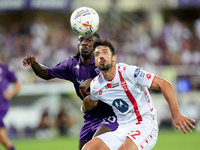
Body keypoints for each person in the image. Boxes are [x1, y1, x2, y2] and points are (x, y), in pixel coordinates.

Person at [81, 38, 196, 150]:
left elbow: (165, 84)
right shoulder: (96, 85)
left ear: (114, 57)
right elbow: (90, 103)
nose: (101, 56)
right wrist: (86, 103)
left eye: (105, 52)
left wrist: (176, 114)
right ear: (95, 61)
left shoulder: (129, 72)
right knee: (88, 148)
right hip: (121, 128)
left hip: (144, 125)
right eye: (97, 54)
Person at [22, 33, 118, 150]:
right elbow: (47, 73)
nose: (84, 43)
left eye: (89, 40)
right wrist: (34, 64)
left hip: (111, 114)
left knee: (94, 147)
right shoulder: (71, 64)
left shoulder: (104, 63)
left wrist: (92, 81)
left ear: (97, 44)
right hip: (90, 117)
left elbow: (113, 78)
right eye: (81, 40)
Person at [0, 52, 21, 150]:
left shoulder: (4, 69)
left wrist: (11, 93)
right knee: (3, 140)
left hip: (1, 105)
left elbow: (18, 83)